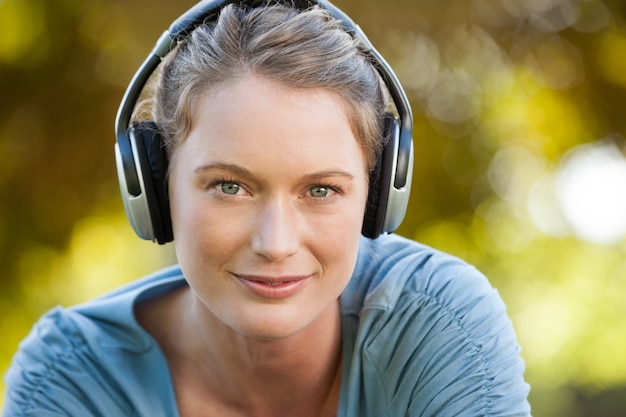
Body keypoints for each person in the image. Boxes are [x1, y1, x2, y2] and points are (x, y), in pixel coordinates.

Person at [3, 1, 532, 416]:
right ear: (157, 187)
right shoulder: (68, 380)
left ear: (376, 197)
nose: (275, 244)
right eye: (230, 186)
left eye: (321, 190)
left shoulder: (441, 326)